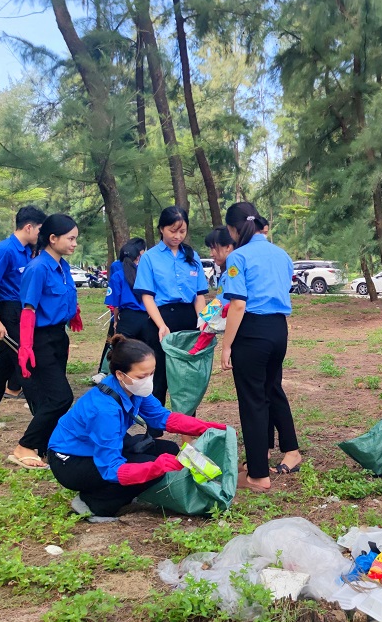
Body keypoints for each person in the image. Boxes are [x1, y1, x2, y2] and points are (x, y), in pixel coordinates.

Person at [47, 334, 226, 520]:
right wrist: (155, 469)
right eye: (142, 375)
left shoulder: (131, 386)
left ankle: (122, 489)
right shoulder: (104, 410)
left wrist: (205, 427)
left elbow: (161, 417)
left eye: (152, 373)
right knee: (153, 469)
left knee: (170, 450)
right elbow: (111, 468)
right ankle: (93, 503)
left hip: (96, 448)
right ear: (120, 374)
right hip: (70, 462)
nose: (148, 380)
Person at [220, 202, 300, 492]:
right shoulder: (282, 255)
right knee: (267, 391)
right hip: (279, 330)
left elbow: (238, 304)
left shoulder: (237, 257)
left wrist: (227, 345)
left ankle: (257, 475)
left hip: (252, 331)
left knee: (252, 401)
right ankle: (260, 457)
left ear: (233, 229)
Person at [10, 214, 82, 469]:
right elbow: (28, 310)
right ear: (53, 238)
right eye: (70, 238)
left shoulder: (62, 266)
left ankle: (45, 448)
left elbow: (65, 296)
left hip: (58, 337)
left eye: (75, 239)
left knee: (48, 397)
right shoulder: (37, 268)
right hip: (39, 339)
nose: (74, 243)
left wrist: (74, 314)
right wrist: (26, 347)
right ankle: (24, 446)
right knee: (61, 397)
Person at [0, 205, 46, 431]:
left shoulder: (25, 251)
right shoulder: (4, 250)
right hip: (8, 311)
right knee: (25, 361)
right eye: (40, 230)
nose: (41, 236)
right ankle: (44, 415)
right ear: (29, 227)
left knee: (3, 365)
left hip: (19, 312)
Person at [134, 206, 209, 429]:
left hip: (189, 320)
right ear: (161, 229)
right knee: (159, 376)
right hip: (161, 319)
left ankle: (188, 426)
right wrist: (161, 325)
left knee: (187, 375)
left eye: (182, 231)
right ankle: (153, 432)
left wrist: (202, 321)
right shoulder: (149, 258)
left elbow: (199, 295)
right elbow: (147, 296)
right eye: (172, 231)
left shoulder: (191, 256)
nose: (177, 236)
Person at [96, 238, 147, 381]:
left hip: (127, 317)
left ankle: (114, 377)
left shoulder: (118, 275)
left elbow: (115, 304)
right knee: (144, 349)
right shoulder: (145, 272)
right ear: (138, 257)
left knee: (120, 349)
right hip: (146, 317)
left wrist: (116, 320)